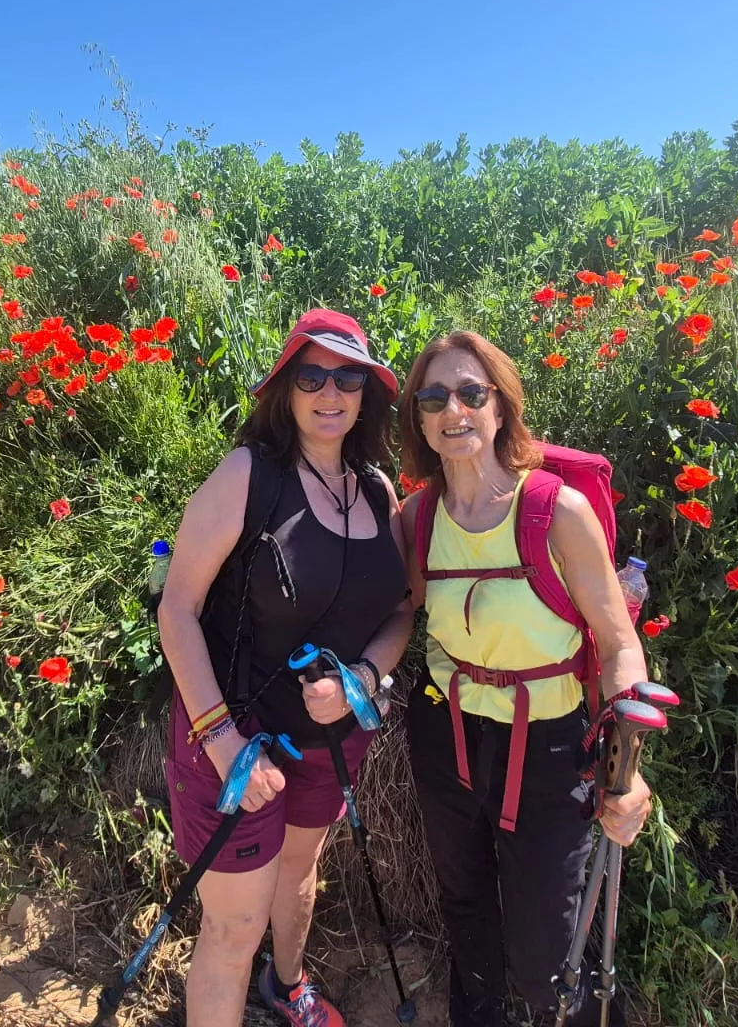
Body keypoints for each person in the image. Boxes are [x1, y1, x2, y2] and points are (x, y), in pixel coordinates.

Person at [158, 308, 415, 1027]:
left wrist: (364, 678)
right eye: (312, 374)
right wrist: (222, 739)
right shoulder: (251, 474)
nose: (329, 391)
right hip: (232, 737)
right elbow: (176, 608)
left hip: (329, 740)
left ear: (367, 392)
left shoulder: (376, 491)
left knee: (298, 873)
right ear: (286, 386)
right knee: (233, 928)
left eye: (348, 377)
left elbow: (400, 611)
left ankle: (286, 983)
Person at [396, 331, 654, 1027]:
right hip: (445, 734)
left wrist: (628, 765)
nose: (453, 407)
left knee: (549, 930)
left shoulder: (555, 512)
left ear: (501, 407)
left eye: (471, 392)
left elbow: (617, 641)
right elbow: (398, 614)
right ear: (419, 419)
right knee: (465, 903)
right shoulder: (416, 518)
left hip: (547, 743)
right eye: (433, 396)